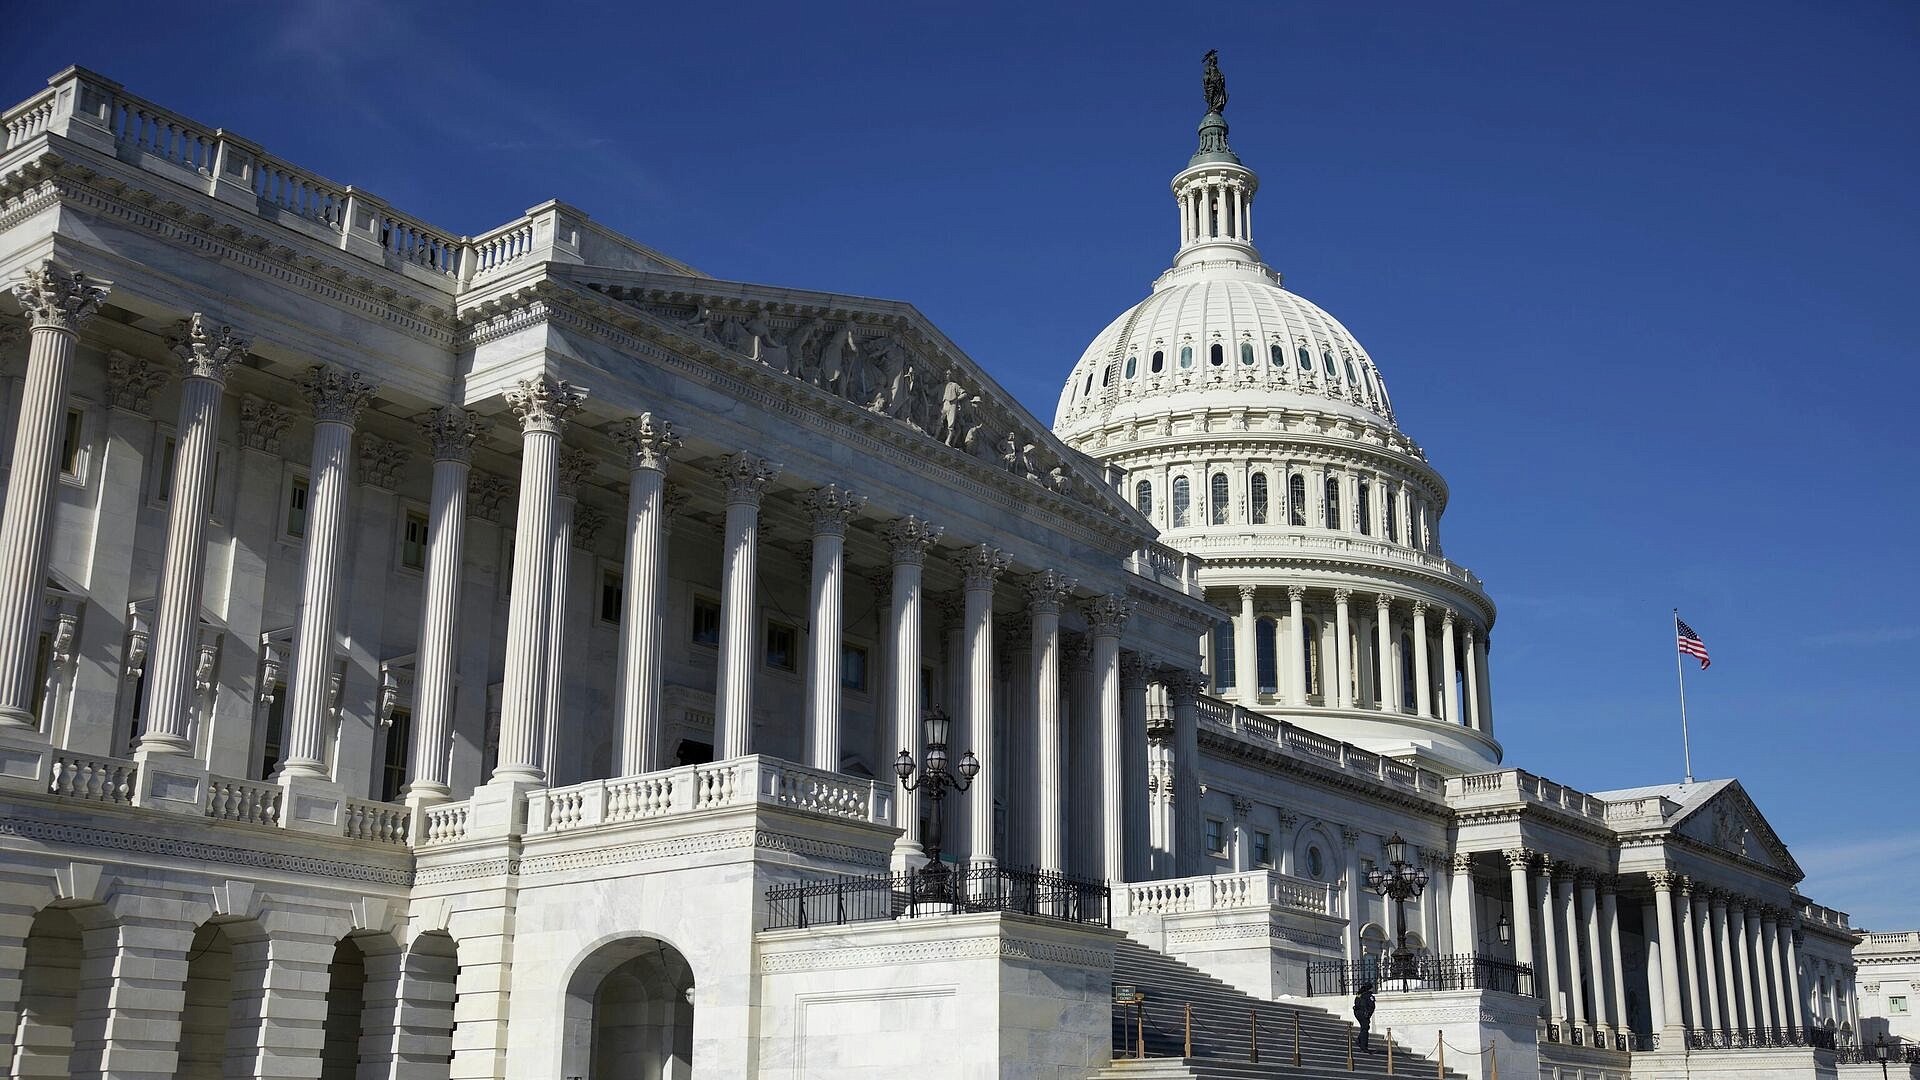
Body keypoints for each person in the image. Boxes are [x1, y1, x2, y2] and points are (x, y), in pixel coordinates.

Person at [1353, 981, 1377, 1052]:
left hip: (1357, 1013)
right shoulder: (1369, 996)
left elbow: (1356, 1003)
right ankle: (1364, 1047)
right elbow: (1372, 1006)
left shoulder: (1359, 994)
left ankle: (1359, 1040)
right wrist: (1368, 1014)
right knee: (1365, 1029)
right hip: (1364, 1014)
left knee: (1364, 1027)